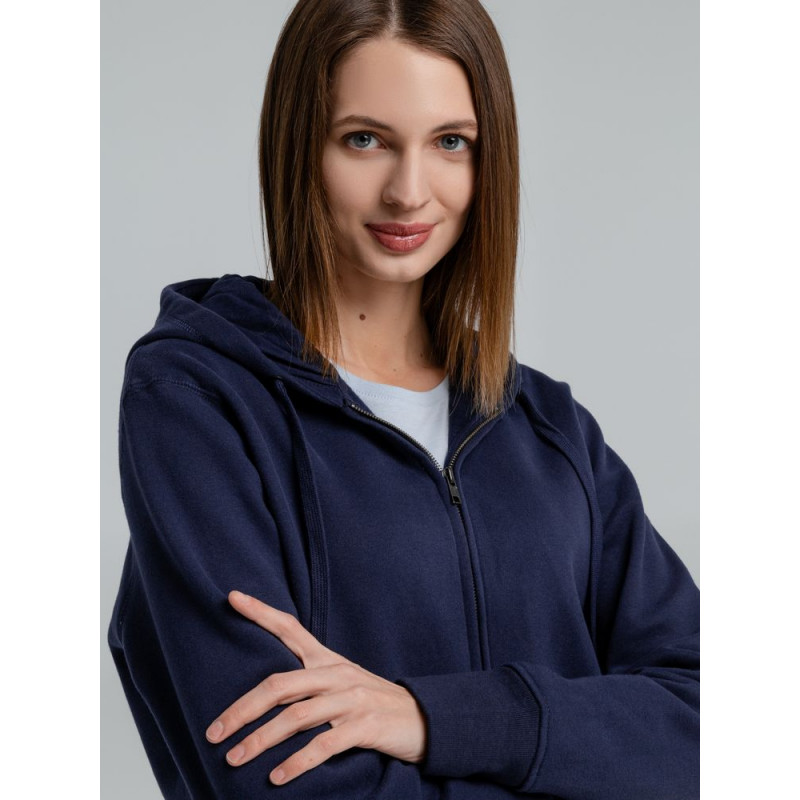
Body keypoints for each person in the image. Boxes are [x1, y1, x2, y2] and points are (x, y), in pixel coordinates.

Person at [108, 0, 700, 797]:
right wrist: (590, 763)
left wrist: (434, 718)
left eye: (451, 142)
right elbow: (287, 781)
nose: (409, 192)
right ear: (298, 146)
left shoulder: (550, 430)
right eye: (365, 139)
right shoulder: (197, 403)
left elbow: (712, 725)